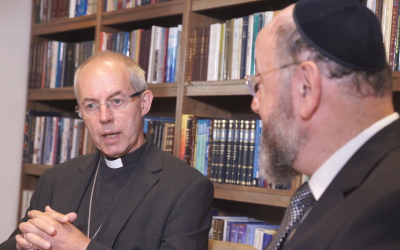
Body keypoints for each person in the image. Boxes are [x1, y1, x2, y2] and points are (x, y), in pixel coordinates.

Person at [0, 51, 214, 250]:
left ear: (144, 103)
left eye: (117, 101)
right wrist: (25, 245)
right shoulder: (55, 179)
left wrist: (82, 247)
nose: (104, 117)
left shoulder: (186, 188)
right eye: (91, 106)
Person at [249, 0, 400, 249]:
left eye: (260, 83)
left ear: (306, 87)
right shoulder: (327, 193)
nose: (255, 104)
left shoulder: (387, 212)